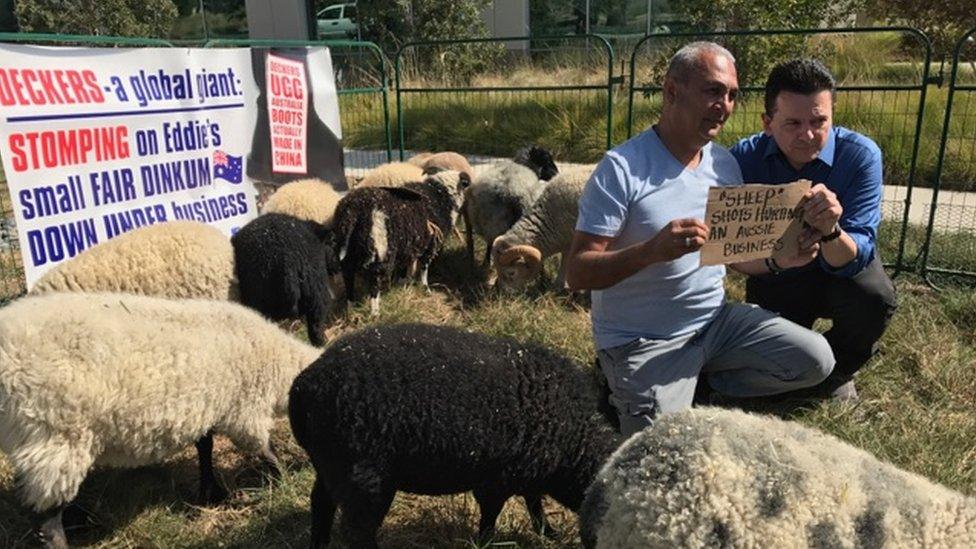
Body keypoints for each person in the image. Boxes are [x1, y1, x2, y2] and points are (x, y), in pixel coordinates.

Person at [565, 42, 835, 437]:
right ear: (672, 91)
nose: (724, 105)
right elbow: (577, 272)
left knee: (815, 360)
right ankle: (632, 385)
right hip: (643, 339)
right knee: (659, 448)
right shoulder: (622, 169)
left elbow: (732, 257)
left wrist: (781, 260)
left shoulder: (723, 164)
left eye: (731, 95)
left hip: (715, 322)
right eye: (713, 90)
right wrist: (650, 251)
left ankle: (706, 385)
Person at [729, 59, 897, 402]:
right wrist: (777, 261)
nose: (807, 135)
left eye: (819, 121)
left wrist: (831, 229)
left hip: (840, 270)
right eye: (792, 123)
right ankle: (799, 367)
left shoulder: (861, 157)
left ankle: (839, 370)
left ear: (833, 117)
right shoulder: (743, 159)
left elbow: (857, 256)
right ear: (767, 123)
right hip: (778, 272)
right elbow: (732, 249)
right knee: (776, 337)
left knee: (875, 298)